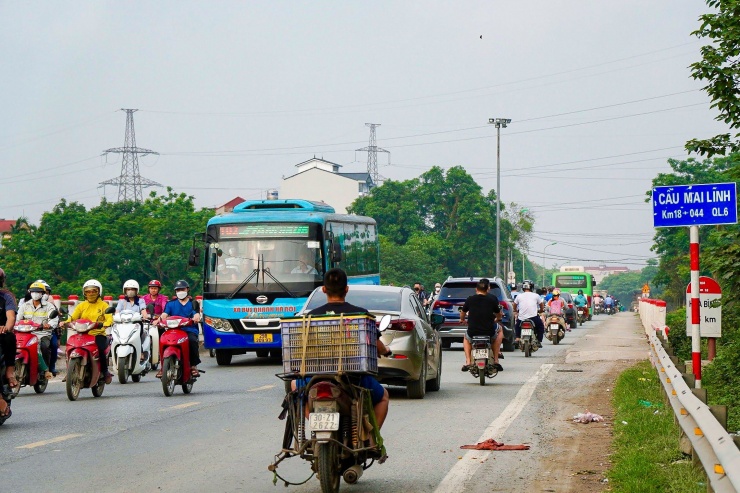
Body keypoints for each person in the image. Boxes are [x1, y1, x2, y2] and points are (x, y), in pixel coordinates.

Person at [292, 268, 391, 429]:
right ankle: (372, 441)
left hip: (316, 376)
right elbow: (377, 345)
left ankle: (316, 423)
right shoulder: (360, 314)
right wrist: (385, 350)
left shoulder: (310, 317)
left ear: (324, 289)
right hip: (353, 377)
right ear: (346, 289)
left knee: (294, 388)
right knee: (383, 397)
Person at [68, 279, 114, 384]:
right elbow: (73, 317)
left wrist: (107, 323)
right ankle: (70, 371)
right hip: (82, 333)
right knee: (71, 346)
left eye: (94, 291)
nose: (91, 293)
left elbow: (109, 317)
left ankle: (105, 371)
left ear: (99, 292)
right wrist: (65, 322)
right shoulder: (81, 306)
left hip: (98, 334)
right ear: (84, 293)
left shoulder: (104, 305)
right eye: (88, 291)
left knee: (100, 349)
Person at [158, 280, 202, 378]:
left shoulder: (193, 303)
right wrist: (159, 320)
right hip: (173, 330)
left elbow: (196, 314)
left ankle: (193, 366)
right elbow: (164, 314)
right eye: (178, 290)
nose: (180, 291)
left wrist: (196, 317)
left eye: (182, 289)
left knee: (192, 341)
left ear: (187, 290)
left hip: (189, 330)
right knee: (162, 340)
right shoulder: (170, 304)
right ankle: (162, 367)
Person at [460, 278, 504, 372]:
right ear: (488, 288)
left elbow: (463, 313)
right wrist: (498, 319)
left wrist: (462, 320)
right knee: (500, 330)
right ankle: (496, 360)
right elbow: (498, 314)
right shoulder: (492, 299)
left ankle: (468, 361)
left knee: (466, 338)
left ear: (476, 289)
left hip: (473, 333)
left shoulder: (470, 299)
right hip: (489, 332)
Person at [16, 281, 57, 379]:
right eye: (33, 291)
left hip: (42, 333)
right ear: (30, 292)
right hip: (26, 333)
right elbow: (18, 319)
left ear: (42, 293)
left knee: (44, 346)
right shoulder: (24, 305)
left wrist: (48, 325)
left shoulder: (49, 306)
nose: (35, 293)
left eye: (38, 291)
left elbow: (54, 320)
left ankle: (45, 370)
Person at [115, 279, 151, 363]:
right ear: (125, 290)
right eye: (128, 289)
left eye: (132, 289)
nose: (130, 291)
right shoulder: (121, 301)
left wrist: (145, 316)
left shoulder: (140, 301)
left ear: (136, 290)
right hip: (123, 324)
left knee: (140, 334)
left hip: (136, 324)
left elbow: (143, 310)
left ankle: (141, 351)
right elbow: (117, 312)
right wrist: (115, 317)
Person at [0, 268, 18, 419]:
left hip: (1, 333)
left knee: (9, 337)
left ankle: (10, 371)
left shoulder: (7, 296)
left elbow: (10, 316)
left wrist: (6, 327)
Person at [514, 280, 545, 347]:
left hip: (522, 318)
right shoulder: (536, 295)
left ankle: (517, 338)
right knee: (540, 327)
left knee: (517, 326)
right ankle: (539, 341)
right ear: (532, 287)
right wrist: (541, 310)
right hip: (533, 317)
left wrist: (515, 311)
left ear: (523, 287)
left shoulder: (519, 296)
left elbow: (514, 304)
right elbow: (541, 305)